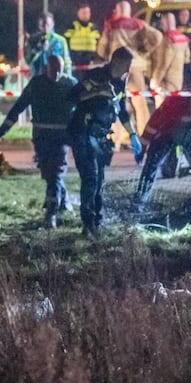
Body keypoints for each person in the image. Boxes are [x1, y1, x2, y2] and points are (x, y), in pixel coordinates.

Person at [68, 46, 143, 239]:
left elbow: (122, 111)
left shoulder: (120, 82)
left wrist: (133, 134)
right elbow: (72, 97)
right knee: (91, 179)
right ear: (116, 61)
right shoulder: (95, 76)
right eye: (127, 64)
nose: (128, 69)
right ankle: (88, 224)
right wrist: (98, 91)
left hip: (101, 137)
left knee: (99, 180)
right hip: (84, 133)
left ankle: (96, 222)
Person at [0, 54, 77, 228]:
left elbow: (82, 108)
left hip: (62, 137)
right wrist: (5, 127)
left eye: (59, 71)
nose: (56, 74)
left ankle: (51, 212)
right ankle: (63, 198)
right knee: (48, 173)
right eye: (53, 70)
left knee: (55, 172)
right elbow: (20, 105)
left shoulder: (70, 84)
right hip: (41, 137)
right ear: (46, 68)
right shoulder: (37, 84)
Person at [96, 0, 162, 137]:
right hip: (136, 66)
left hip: (117, 69)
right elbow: (157, 36)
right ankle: (145, 134)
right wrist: (144, 51)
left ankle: (115, 137)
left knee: (116, 101)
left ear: (118, 10)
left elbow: (101, 50)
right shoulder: (138, 24)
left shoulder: (111, 25)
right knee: (140, 103)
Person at [149, 12, 191, 107]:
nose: (161, 25)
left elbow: (163, 64)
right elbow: (187, 59)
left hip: (166, 82)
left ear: (168, 23)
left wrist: (155, 80)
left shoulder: (167, 40)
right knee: (175, 108)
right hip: (178, 81)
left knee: (162, 109)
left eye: (162, 23)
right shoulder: (183, 39)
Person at [23, 12, 69, 78]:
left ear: (53, 24)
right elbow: (28, 60)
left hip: (56, 78)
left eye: (48, 24)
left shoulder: (60, 40)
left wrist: (68, 77)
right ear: (39, 25)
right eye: (42, 25)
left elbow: (66, 61)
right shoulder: (32, 40)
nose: (45, 28)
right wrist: (38, 49)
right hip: (38, 77)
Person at [64, 3, 100, 70]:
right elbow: (66, 41)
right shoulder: (72, 26)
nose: (86, 14)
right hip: (76, 59)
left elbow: (99, 43)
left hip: (90, 59)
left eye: (88, 12)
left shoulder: (93, 27)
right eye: (83, 12)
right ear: (78, 13)